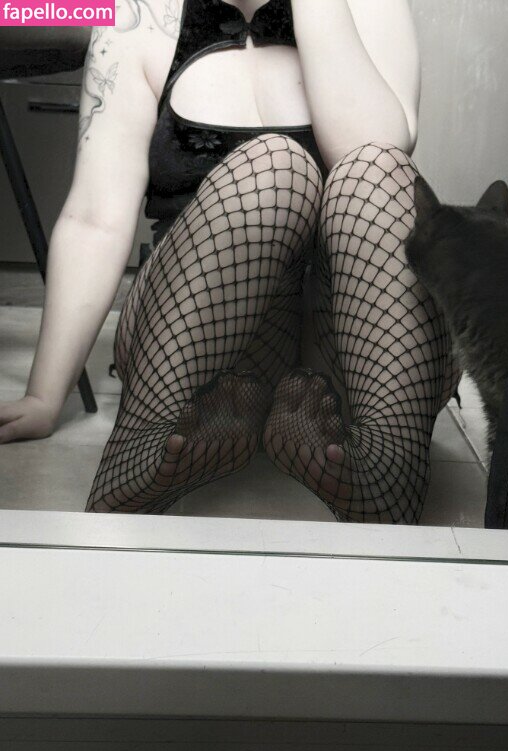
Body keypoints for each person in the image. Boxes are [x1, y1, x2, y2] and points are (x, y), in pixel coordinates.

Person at [0, 0, 459, 523]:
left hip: (344, 347)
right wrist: (44, 395)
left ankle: (385, 479)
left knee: (377, 166)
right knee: (276, 169)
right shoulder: (141, 17)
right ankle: (137, 462)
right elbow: (94, 219)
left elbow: (378, 159)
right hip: (192, 336)